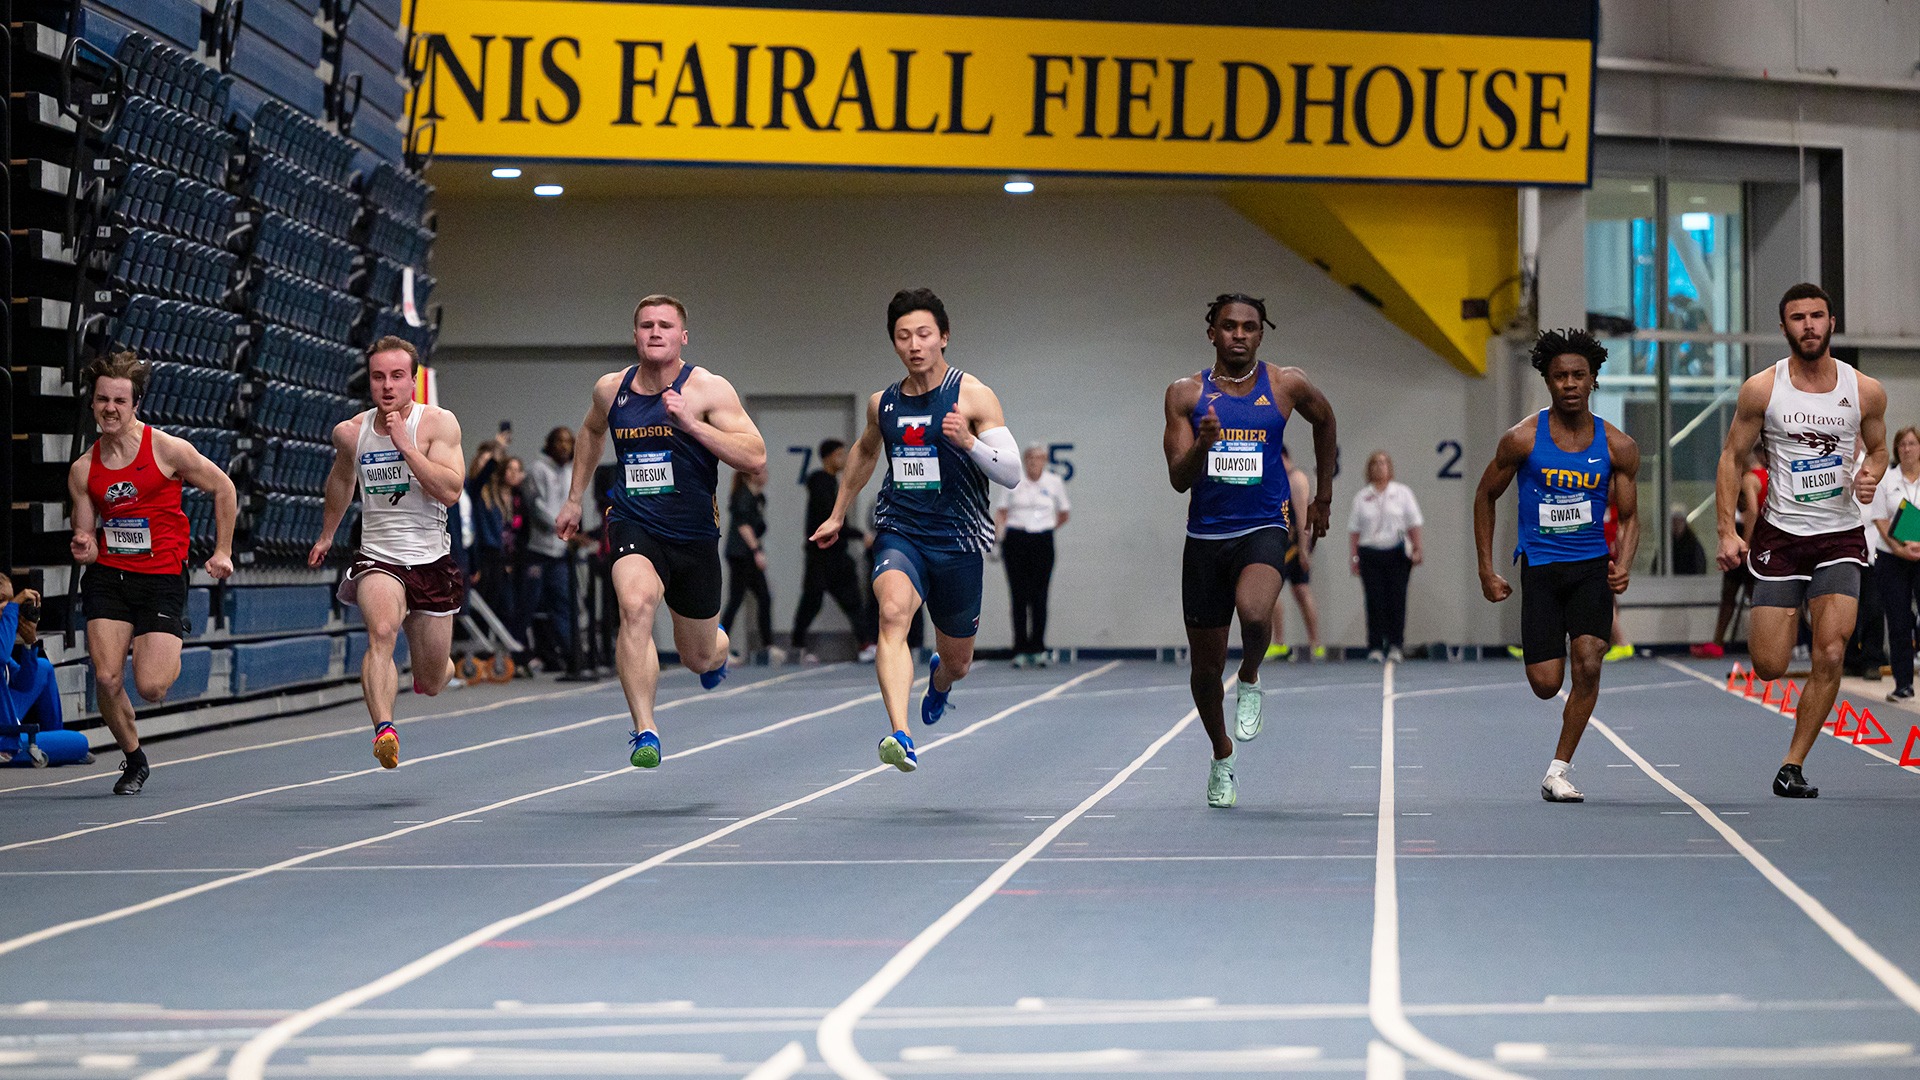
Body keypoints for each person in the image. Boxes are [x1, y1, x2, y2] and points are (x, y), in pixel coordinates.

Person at [811, 288, 1025, 773]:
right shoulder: (882, 404)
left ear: (943, 337)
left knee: (958, 661)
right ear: (894, 343)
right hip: (900, 528)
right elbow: (866, 452)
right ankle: (900, 734)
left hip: (958, 541)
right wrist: (839, 513)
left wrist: (968, 441)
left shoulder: (972, 395)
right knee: (891, 615)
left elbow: (1011, 472)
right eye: (903, 336)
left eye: (924, 334)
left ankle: (941, 682)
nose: (914, 344)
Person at [555, 294, 766, 768]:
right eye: (646, 325)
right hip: (634, 521)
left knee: (699, 656)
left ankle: (717, 649)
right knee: (635, 606)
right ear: (634, 335)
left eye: (665, 326)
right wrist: (573, 498)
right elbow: (590, 432)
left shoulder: (709, 389)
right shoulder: (611, 389)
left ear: (682, 336)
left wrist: (692, 425)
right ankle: (645, 729)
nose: (655, 332)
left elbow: (755, 456)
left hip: (693, 536)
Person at [1162, 293, 1337, 808]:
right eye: (1229, 326)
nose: (1239, 334)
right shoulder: (1185, 395)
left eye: (1250, 327)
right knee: (1203, 669)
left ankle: (1253, 674)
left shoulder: (1286, 384)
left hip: (1265, 523)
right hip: (1206, 539)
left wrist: (1323, 496)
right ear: (1212, 332)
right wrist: (1203, 445)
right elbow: (1178, 479)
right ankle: (1221, 755)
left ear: (1261, 334)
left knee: (1256, 611)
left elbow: (1325, 421)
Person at [1715, 282, 1887, 799]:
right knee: (1768, 665)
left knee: (1831, 652)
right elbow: (1731, 458)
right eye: (1798, 318)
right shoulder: (1762, 390)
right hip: (1781, 536)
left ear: (1831, 322)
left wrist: (1870, 474)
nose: (1809, 326)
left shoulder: (1865, 390)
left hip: (1840, 534)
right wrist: (1727, 530)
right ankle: (1795, 616)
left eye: (1817, 316)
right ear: (1784, 326)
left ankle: (1792, 764)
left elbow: (1878, 450)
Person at [1474, 329, 1642, 802]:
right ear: (1547, 381)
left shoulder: (1617, 446)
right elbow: (1485, 496)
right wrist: (1486, 569)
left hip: (1590, 567)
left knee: (1588, 661)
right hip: (1542, 570)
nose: (1570, 384)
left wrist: (1622, 564)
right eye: (1560, 376)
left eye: (1578, 375)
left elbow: (1630, 517)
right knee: (1547, 685)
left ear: (1593, 380)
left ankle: (1558, 769)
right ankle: (1557, 741)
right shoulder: (1523, 439)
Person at [67, 351, 237, 794]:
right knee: (106, 676)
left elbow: (224, 487)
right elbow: (85, 536)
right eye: (103, 400)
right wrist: (84, 544)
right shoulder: (84, 469)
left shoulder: (166, 449)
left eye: (119, 401)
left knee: (152, 687)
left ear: (134, 404)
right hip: (109, 576)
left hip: (161, 578)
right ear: (92, 404)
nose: (110, 408)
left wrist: (222, 550)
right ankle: (134, 758)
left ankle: (171, 633)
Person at [311, 337, 466, 769]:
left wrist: (407, 448)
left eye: (397, 376)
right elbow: (341, 481)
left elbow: (450, 491)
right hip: (379, 557)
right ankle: (385, 729)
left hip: (432, 561)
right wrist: (327, 534)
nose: (387, 385)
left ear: (412, 381)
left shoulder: (438, 424)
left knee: (432, 681)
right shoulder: (351, 432)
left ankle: (441, 666)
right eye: (378, 376)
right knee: (381, 631)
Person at [792, 439, 869, 662]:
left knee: (852, 599)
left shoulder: (833, 482)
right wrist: (859, 535)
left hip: (836, 554)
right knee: (812, 601)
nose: (844, 459)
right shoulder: (820, 483)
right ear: (828, 457)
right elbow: (830, 518)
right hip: (820, 555)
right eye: (839, 455)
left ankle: (865, 644)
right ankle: (798, 646)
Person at [994, 443, 1070, 667]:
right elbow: (1001, 512)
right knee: (1018, 595)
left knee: (1040, 595)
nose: (1034, 463)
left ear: (1045, 461)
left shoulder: (1054, 483)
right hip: (1016, 539)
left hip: (1042, 540)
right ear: (1025, 461)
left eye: (1039, 459)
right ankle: (1020, 648)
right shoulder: (1014, 481)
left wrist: (1046, 527)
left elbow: (1064, 512)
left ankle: (1037, 647)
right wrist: (998, 539)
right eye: (1030, 459)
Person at [1349, 451, 1423, 662]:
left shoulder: (1402, 493)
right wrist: (1354, 557)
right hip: (1370, 552)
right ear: (1369, 469)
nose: (1380, 467)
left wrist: (1418, 548)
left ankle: (1395, 645)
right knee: (1374, 600)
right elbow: (1354, 530)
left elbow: (1413, 523)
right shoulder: (1362, 497)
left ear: (1389, 467)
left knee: (1397, 599)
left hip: (1397, 553)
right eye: (1375, 463)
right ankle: (1374, 645)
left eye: (1383, 463)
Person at [1870, 426, 1920, 701]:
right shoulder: (1887, 480)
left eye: (1912, 444)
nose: (1907, 449)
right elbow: (1880, 518)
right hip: (1892, 557)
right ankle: (1903, 684)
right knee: (1899, 621)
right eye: (1902, 445)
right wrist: (1900, 549)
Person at [1697, 447, 1762, 658]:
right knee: (1754, 596)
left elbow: (1752, 511)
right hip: (1761, 537)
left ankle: (1720, 642)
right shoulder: (1768, 477)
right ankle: (1762, 645)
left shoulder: (1750, 479)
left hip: (1749, 538)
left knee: (1734, 594)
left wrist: (1746, 543)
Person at [521, 426, 576, 671]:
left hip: (559, 552)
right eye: (560, 441)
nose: (565, 446)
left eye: (569, 442)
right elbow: (537, 508)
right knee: (528, 605)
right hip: (538, 550)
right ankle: (519, 654)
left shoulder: (571, 471)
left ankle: (569, 654)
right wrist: (561, 527)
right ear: (550, 444)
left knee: (563, 604)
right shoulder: (537, 470)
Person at [1265, 446, 1325, 662]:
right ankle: (1279, 643)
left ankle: (1315, 644)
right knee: (1272, 595)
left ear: (1283, 457)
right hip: (1279, 546)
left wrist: (1304, 550)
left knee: (1301, 592)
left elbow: (1302, 517)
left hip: (1293, 547)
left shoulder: (1296, 479)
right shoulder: (1276, 480)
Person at [721, 470, 775, 658]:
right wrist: (756, 551)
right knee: (736, 599)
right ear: (751, 475)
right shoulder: (743, 496)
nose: (766, 474)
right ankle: (719, 645)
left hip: (746, 555)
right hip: (741, 554)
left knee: (763, 597)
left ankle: (768, 645)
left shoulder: (757, 498)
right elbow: (743, 526)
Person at [1669, 507, 1708, 575]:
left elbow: (1700, 569)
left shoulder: (1693, 545)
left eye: (1679, 521)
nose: (1677, 525)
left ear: (1684, 523)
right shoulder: (1667, 545)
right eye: (1674, 521)